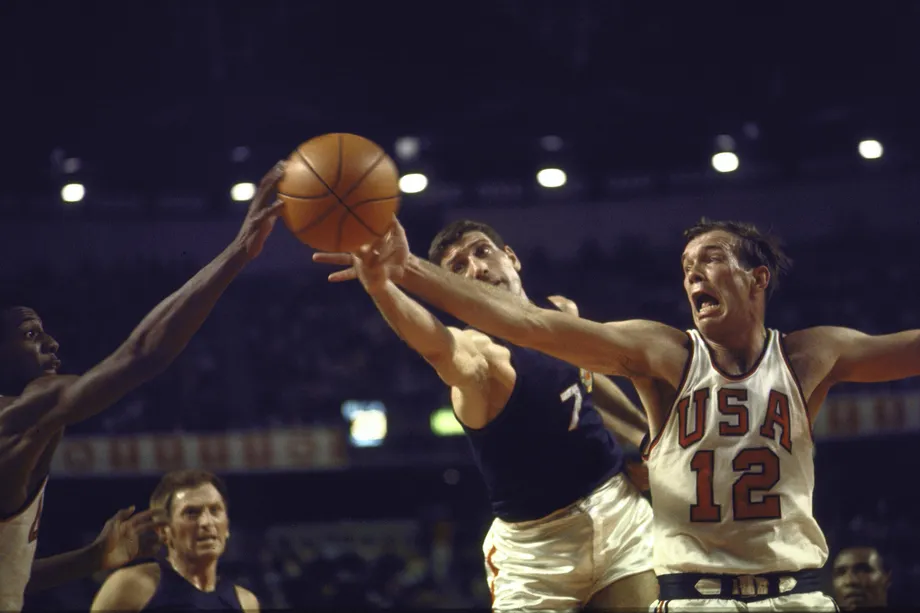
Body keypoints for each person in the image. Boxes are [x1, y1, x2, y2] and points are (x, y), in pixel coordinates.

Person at [316, 217, 920, 611]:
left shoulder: (811, 354)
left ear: (757, 278)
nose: (692, 273)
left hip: (772, 581)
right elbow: (501, 330)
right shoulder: (657, 350)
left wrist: (645, 443)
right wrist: (398, 276)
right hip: (596, 562)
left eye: (710, 259)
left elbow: (582, 374)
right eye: (686, 267)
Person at [315, 219, 656, 612]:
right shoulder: (480, 354)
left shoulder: (561, 311)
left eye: (482, 252)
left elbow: (586, 377)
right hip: (537, 552)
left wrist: (645, 437)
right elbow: (437, 347)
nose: (476, 269)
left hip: (616, 508)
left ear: (511, 258)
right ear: (450, 290)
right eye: (457, 268)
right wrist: (381, 288)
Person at [0, 163, 286, 612]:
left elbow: (9, 578)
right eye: (30, 334)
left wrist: (91, 558)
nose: (52, 343)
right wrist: (237, 252)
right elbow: (142, 355)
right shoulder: (21, 416)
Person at [90, 469, 258, 612]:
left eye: (215, 510)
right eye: (191, 513)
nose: (206, 522)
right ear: (163, 530)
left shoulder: (245, 602)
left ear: (227, 527)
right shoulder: (132, 587)